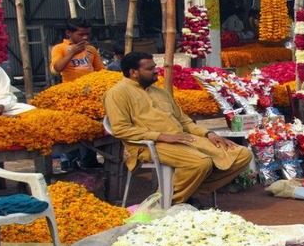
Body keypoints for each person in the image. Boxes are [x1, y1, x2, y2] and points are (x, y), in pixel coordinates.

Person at [103, 52, 252, 208]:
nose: (156, 71)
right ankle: (165, 204)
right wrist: (161, 136)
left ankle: (189, 192)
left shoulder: (161, 92)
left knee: (242, 154)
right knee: (200, 163)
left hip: (183, 139)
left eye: (155, 67)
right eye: (150, 68)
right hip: (149, 145)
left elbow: (185, 121)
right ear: (133, 72)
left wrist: (208, 133)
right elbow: (120, 129)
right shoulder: (117, 94)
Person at [51, 19, 104, 169]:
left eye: (88, 34)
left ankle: (89, 161)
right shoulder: (60, 48)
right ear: (69, 33)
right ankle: (69, 162)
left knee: (89, 130)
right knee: (72, 130)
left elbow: (100, 71)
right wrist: (71, 53)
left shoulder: (91, 50)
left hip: (90, 97)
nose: (85, 38)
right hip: (69, 98)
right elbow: (56, 69)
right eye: (81, 34)